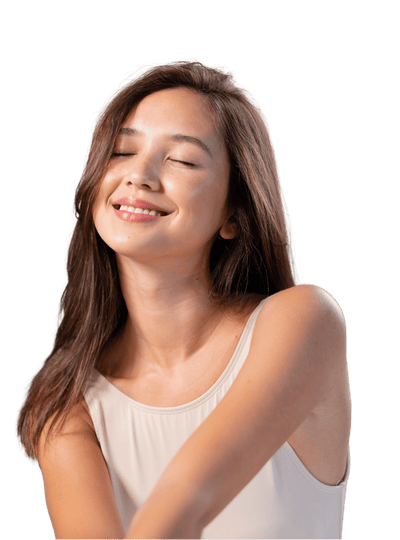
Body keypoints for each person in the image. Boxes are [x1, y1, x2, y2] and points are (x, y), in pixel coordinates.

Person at [14, 58, 352, 539]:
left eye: (183, 160)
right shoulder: (67, 404)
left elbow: (181, 509)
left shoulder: (304, 321)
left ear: (233, 213)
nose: (139, 175)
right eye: (122, 151)